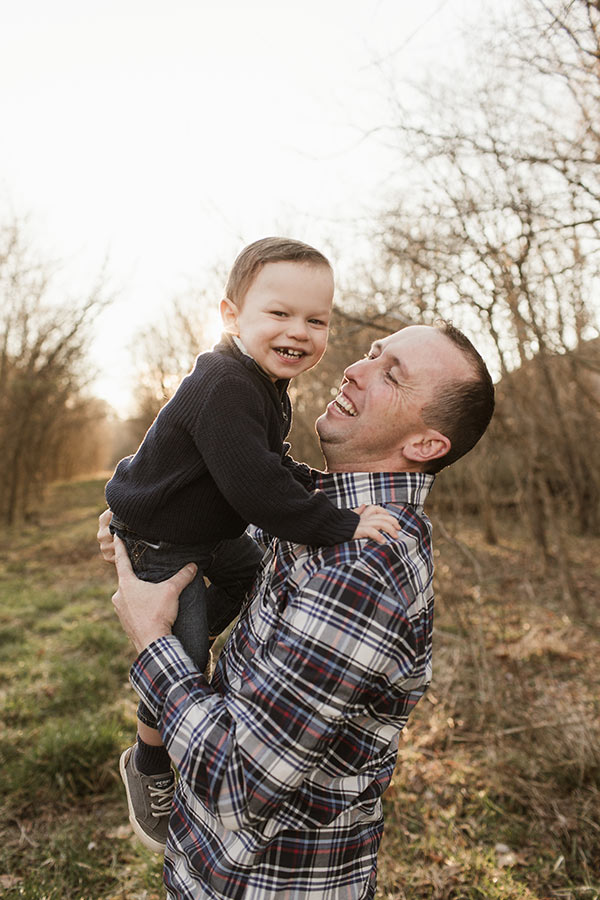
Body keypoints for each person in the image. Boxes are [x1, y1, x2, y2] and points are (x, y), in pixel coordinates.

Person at [99, 321, 495, 900]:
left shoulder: (364, 575)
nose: (355, 370)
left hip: (261, 882)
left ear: (425, 445)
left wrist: (152, 638)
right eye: (371, 353)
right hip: (211, 863)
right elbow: (239, 514)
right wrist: (144, 518)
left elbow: (239, 782)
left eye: (392, 374)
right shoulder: (321, 512)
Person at [103, 237, 399, 853]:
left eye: (315, 320)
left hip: (209, 536)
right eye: (279, 313)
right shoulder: (225, 383)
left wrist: (323, 489)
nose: (299, 331)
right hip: (164, 542)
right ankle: (150, 762)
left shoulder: (262, 384)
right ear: (231, 316)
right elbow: (258, 491)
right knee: (179, 667)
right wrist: (341, 525)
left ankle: (190, 627)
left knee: (247, 574)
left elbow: (272, 464)